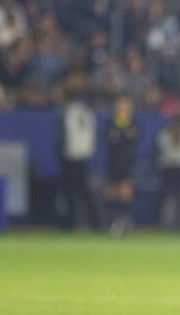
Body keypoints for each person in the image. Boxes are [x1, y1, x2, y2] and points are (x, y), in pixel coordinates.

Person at [59, 79, 100, 230]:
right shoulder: (88, 112)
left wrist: (60, 155)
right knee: (85, 192)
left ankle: (70, 224)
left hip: (71, 157)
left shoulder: (68, 112)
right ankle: (96, 222)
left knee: (71, 193)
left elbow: (62, 137)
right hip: (85, 157)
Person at [105, 95, 139, 235]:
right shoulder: (110, 124)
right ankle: (112, 222)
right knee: (111, 194)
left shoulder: (133, 124)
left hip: (127, 164)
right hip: (113, 163)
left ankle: (124, 221)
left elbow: (133, 137)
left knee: (125, 193)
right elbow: (109, 139)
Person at [156, 113, 180, 229]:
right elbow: (166, 153)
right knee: (164, 198)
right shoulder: (164, 135)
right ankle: (162, 224)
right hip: (167, 170)